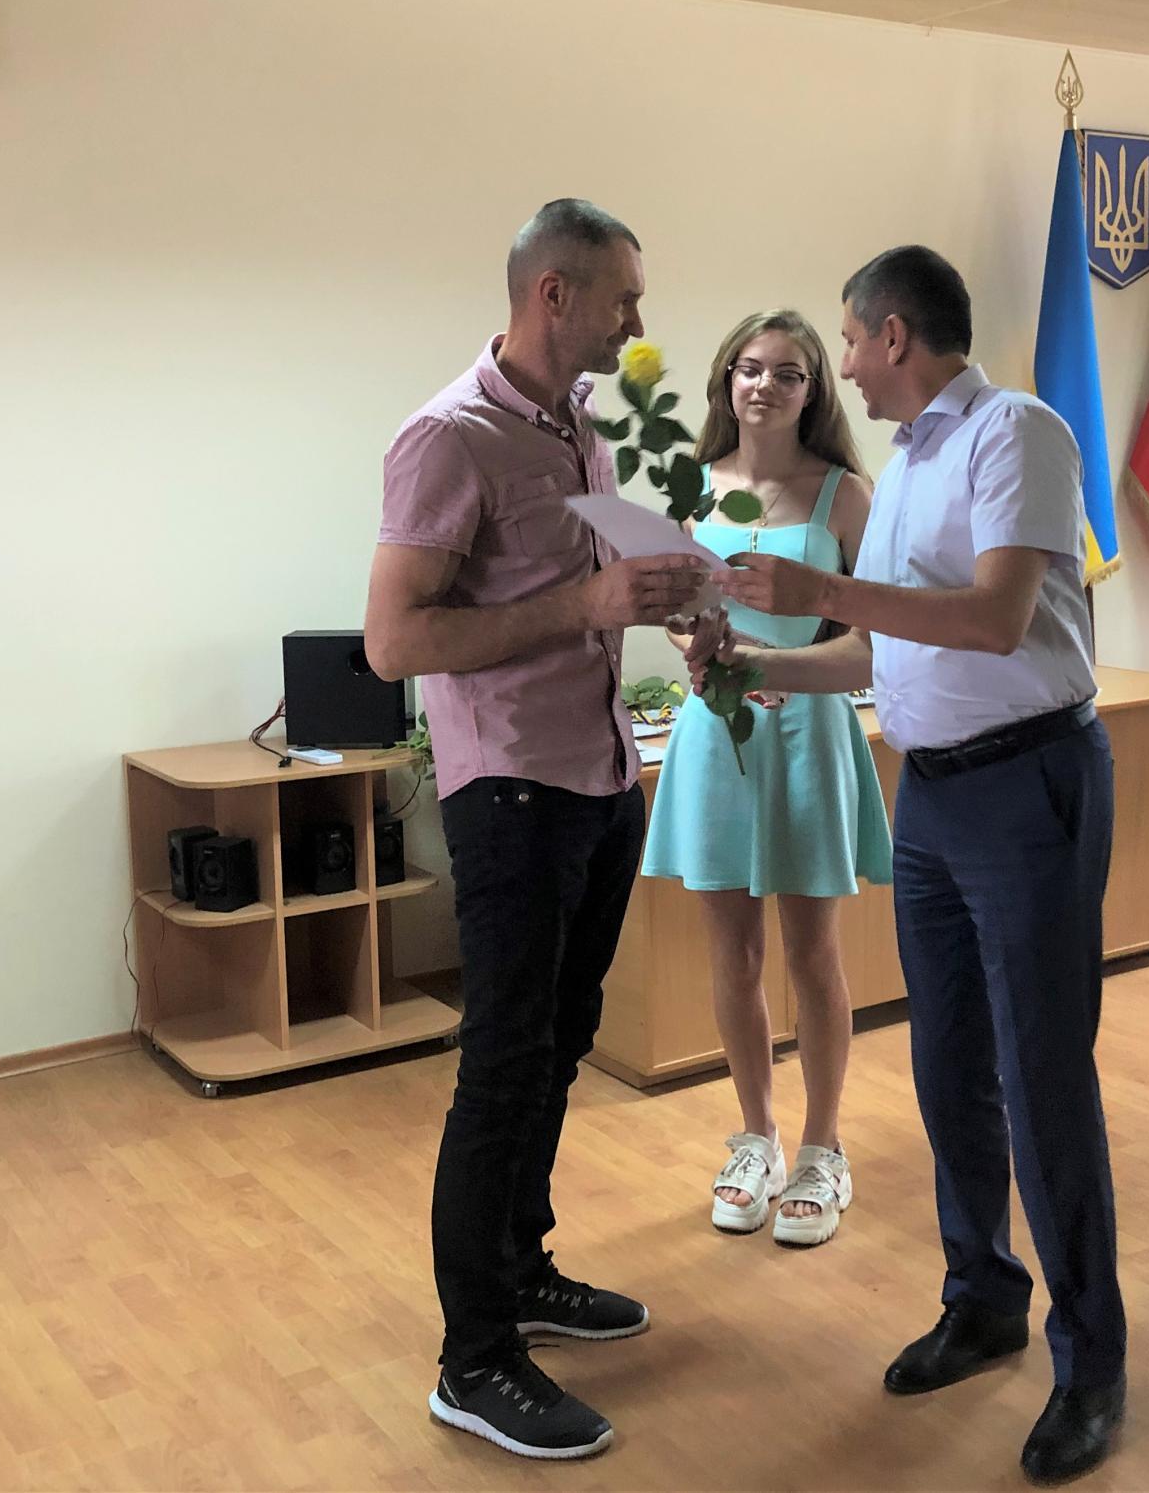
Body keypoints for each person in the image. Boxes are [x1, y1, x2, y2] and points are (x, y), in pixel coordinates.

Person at [701, 246, 1126, 1485]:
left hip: (1028, 781)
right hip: (931, 795)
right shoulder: (901, 470)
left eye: (846, 339)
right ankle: (981, 1297)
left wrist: (824, 587)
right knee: (945, 1064)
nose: (840, 363)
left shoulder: (1014, 432)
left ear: (894, 335)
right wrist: (759, 662)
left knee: (1041, 1074)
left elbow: (993, 617)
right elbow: (881, 654)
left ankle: (1089, 1363)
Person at [363, 198, 709, 1462]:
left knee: (559, 1043)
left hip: (598, 775)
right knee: (505, 1063)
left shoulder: (579, 426)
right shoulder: (446, 437)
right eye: (624, 297)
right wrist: (589, 603)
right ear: (553, 294)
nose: (637, 319)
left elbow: (584, 592)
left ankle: (519, 1270)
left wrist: (663, 589)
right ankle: (473, 1360)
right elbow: (393, 640)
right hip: (509, 789)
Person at [641, 309, 890, 1246]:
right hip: (717, 735)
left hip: (810, 730)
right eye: (750, 368)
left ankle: (825, 1149)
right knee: (732, 954)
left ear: (813, 391)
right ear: (725, 380)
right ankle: (757, 1139)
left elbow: (876, 639)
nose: (764, 386)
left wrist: (772, 663)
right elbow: (680, 618)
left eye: (788, 373)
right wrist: (694, 641)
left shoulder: (846, 497)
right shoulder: (695, 485)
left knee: (812, 953)